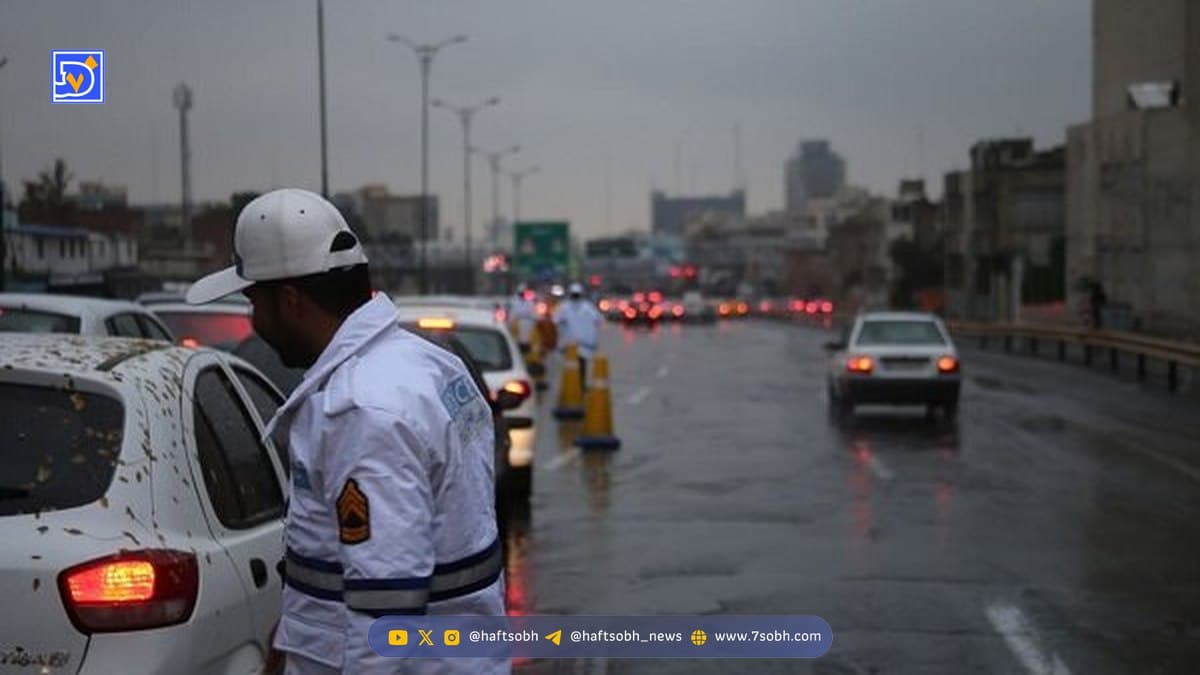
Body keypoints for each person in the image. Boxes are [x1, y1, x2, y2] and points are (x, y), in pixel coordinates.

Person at [186, 188, 507, 675]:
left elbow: (386, 614)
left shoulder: (363, 410)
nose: (255, 321)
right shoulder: (430, 366)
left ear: (289, 300)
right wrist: (288, 639)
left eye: (255, 302)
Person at [552, 282, 603, 388]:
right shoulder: (565, 307)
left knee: (578, 366)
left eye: (576, 295)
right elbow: (555, 321)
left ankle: (578, 387)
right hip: (571, 345)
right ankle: (574, 387)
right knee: (572, 367)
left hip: (582, 345)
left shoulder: (586, 307)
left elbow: (598, 320)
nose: (575, 297)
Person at [507, 283, 538, 354]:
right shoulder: (513, 302)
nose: (522, 294)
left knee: (527, 346)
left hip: (528, 327)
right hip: (516, 328)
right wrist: (509, 326)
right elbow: (511, 316)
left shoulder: (530, 303)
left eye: (523, 293)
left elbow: (535, 316)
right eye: (521, 293)